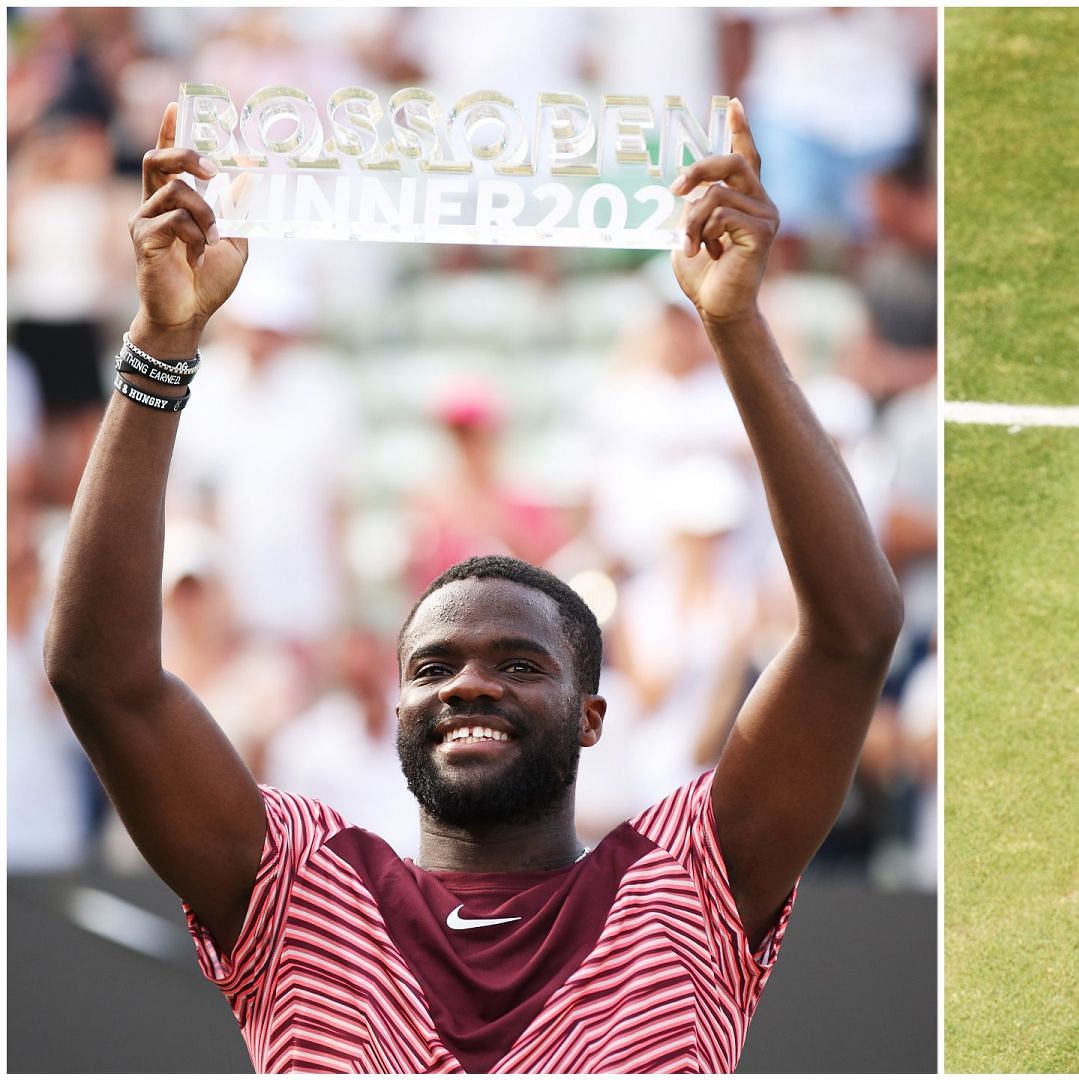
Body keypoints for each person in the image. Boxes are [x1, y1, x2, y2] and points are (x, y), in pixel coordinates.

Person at [43, 98, 903, 1074]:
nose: (469, 683)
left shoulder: (692, 880)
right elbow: (99, 677)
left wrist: (737, 327)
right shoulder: (294, 886)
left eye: (519, 660)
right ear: (396, 699)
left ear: (590, 714)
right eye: (435, 663)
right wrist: (161, 341)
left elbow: (851, 637)